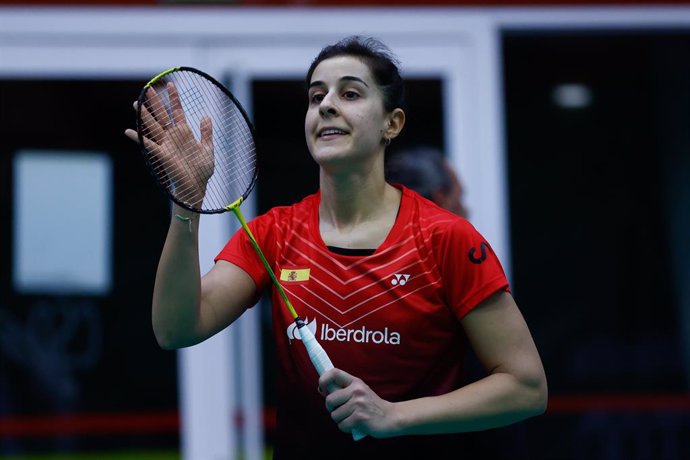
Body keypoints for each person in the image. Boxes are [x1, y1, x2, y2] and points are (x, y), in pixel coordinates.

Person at [126, 35, 547, 459]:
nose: (326, 105)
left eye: (349, 93)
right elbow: (176, 329)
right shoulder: (275, 233)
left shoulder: (445, 239)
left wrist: (393, 416)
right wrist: (188, 202)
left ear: (392, 123)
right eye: (315, 96)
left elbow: (526, 386)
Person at [386, 145, 469, 218]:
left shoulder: (384, 231)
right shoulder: (458, 231)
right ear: (440, 197)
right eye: (458, 201)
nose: (466, 211)